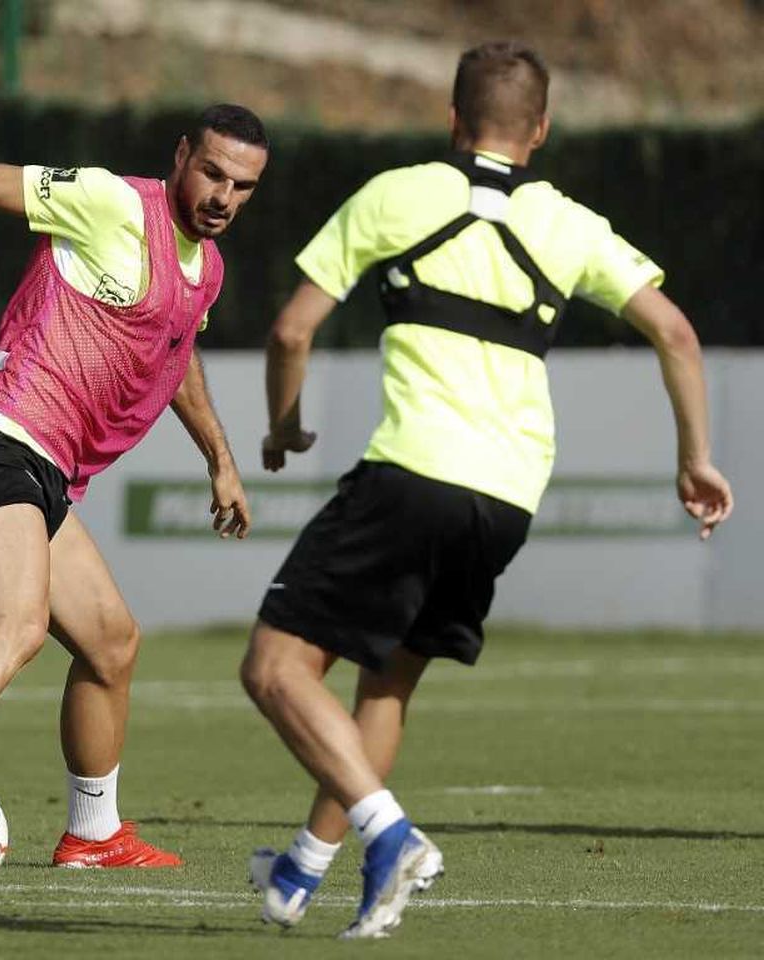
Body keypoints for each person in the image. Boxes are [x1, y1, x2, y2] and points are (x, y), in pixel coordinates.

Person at [242, 41, 735, 939]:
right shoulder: (569, 223)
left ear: (452, 118)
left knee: (276, 666)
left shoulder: (396, 194)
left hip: (412, 472)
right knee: (386, 688)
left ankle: (391, 838)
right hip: (507, 496)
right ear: (540, 131)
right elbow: (676, 332)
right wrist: (694, 456)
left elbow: (289, 330)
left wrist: (282, 425)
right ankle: (299, 876)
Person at [0, 105, 263, 867]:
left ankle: (94, 834)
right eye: (213, 172)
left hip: (40, 470)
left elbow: (177, 348)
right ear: (181, 153)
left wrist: (219, 458)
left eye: (244, 185)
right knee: (16, 629)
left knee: (112, 645)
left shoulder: (209, 269)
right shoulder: (114, 203)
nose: (224, 195)